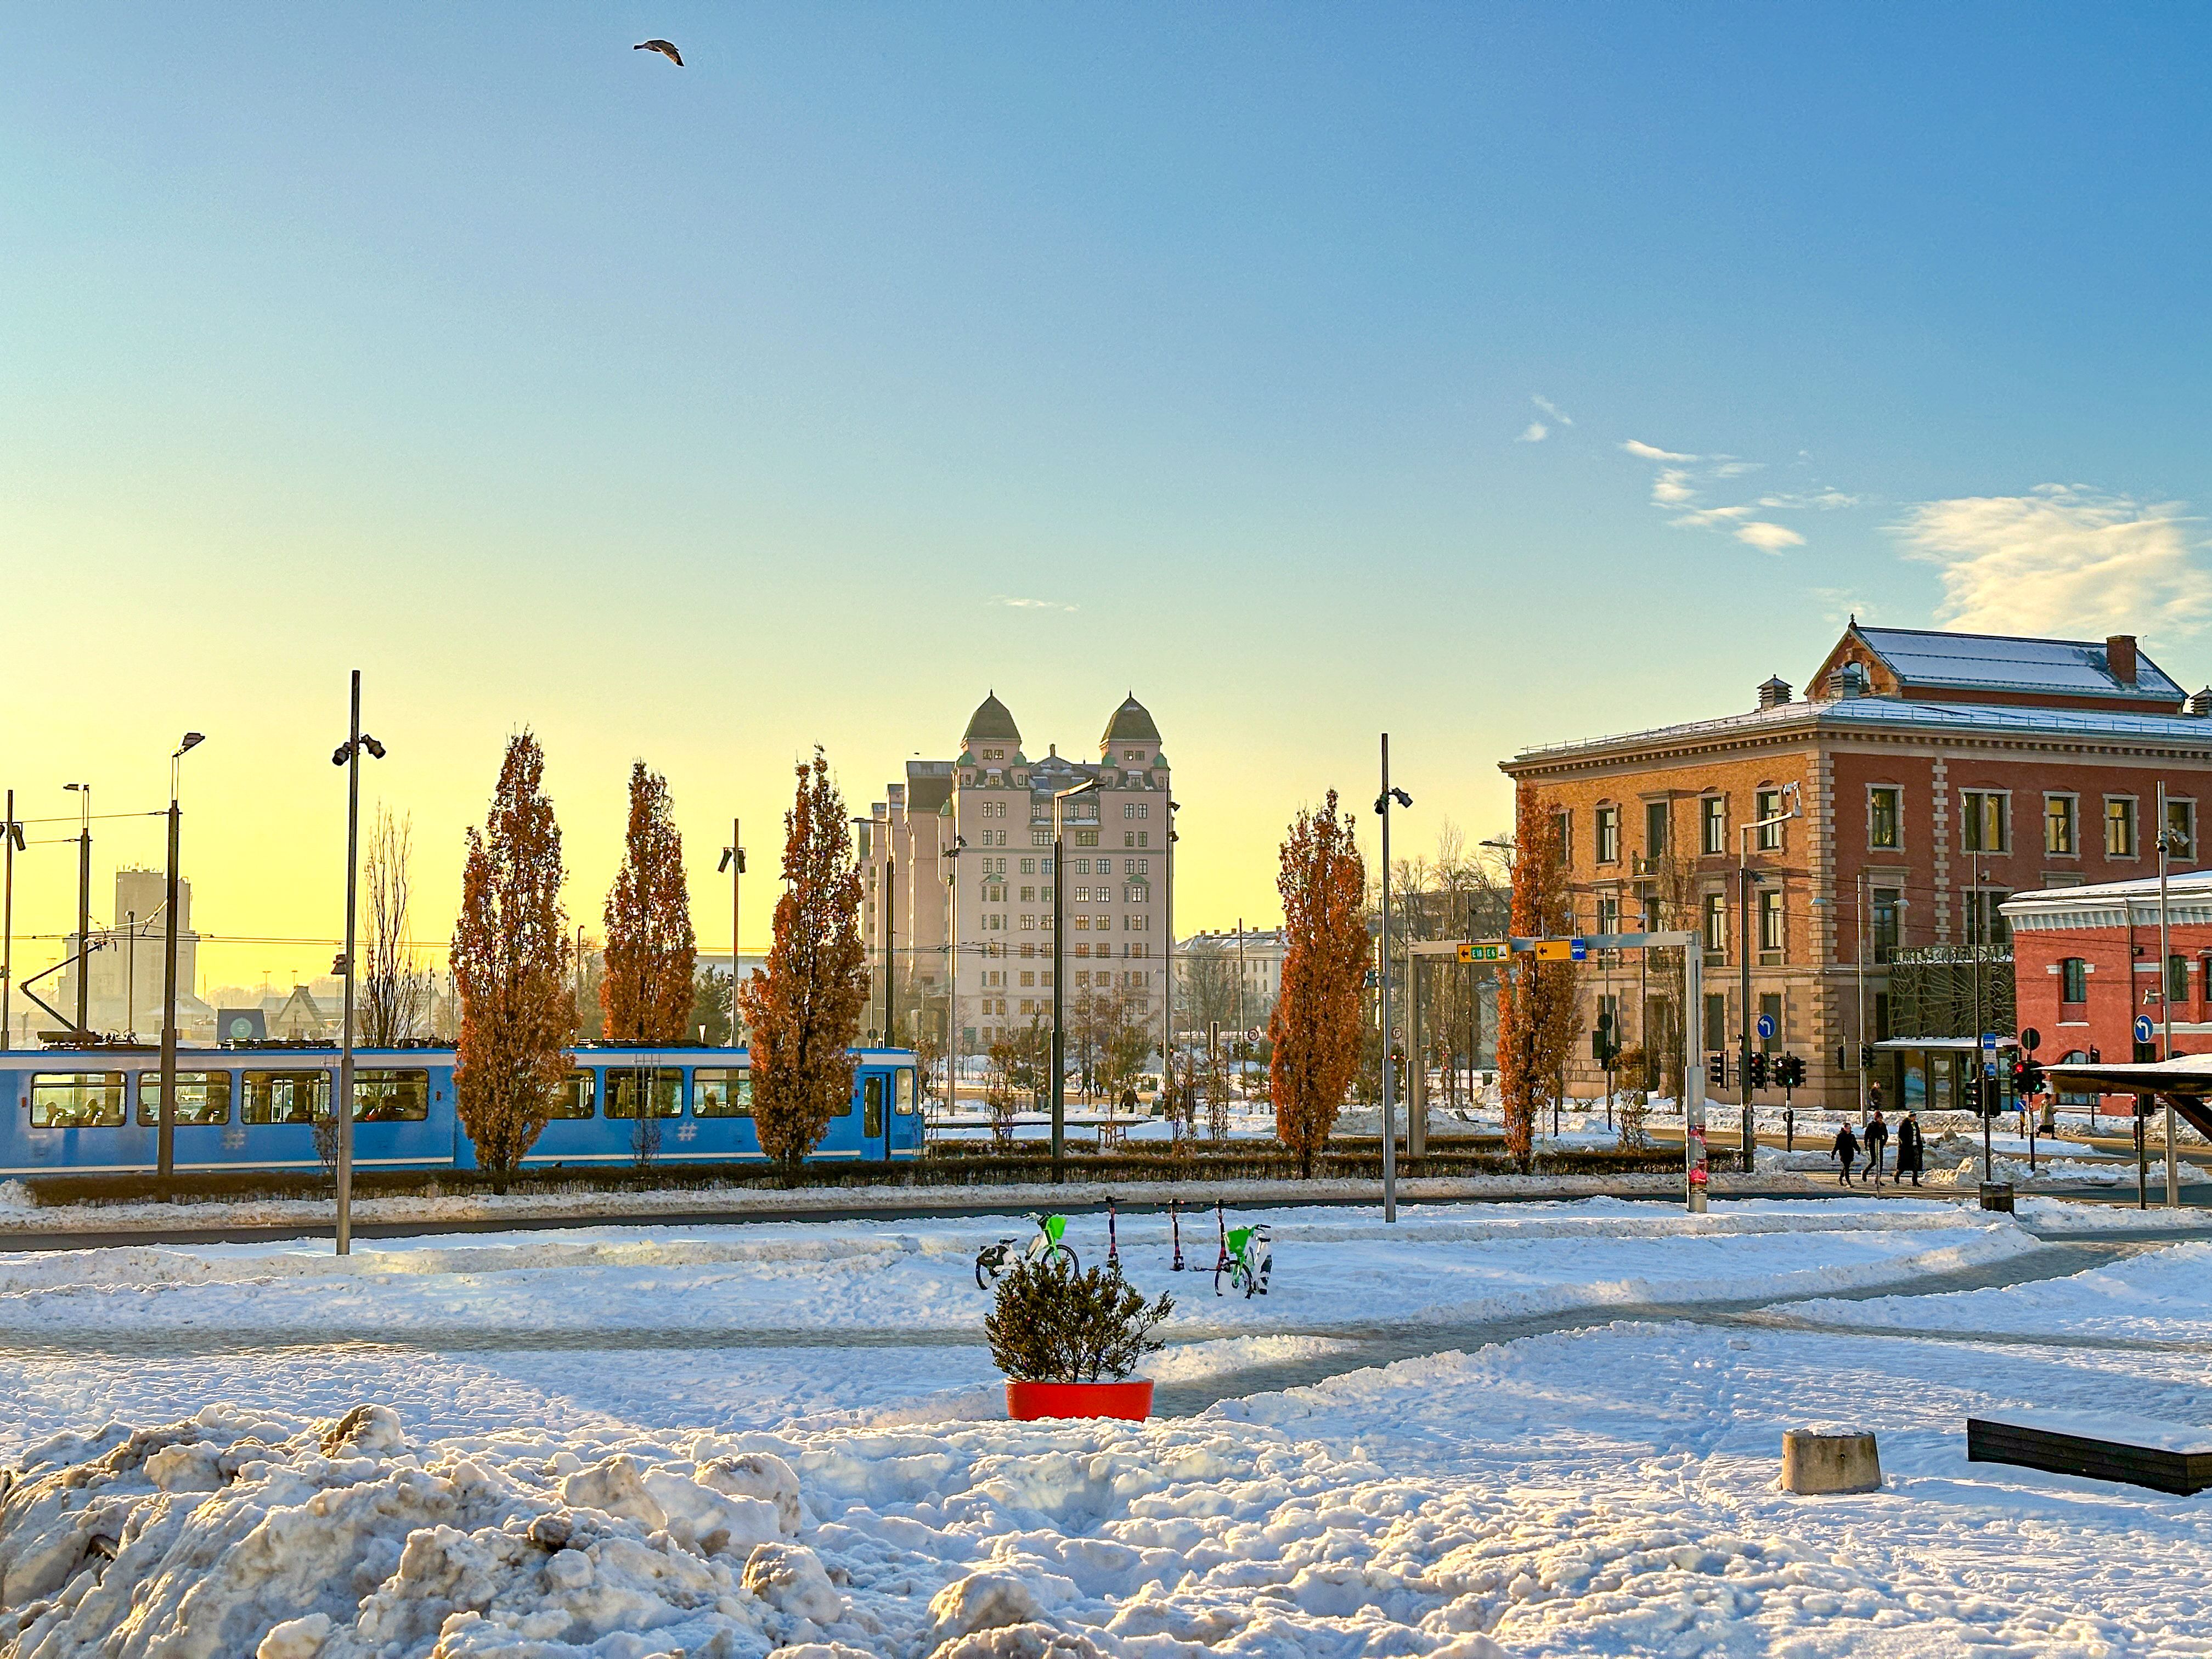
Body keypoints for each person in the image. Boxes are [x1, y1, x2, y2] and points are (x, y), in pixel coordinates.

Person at [1895, 1110, 1925, 1188]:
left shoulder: (1915, 1124)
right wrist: (1905, 1144)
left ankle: (1915, 1181)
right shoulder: (1904, 1124)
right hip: (1907, 1148)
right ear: (1910, 1117)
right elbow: (1901, 1136)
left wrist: (1920, 1145)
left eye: (1915, 1116)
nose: (1915, 1118)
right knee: (1905, 1164)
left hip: (1915, 1146)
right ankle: (1897, 1174)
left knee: (1916, 1164)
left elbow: (1918, 1136)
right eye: (1913, 1116)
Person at [1865, 1110, 1889, 1188]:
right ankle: (1865, 1172)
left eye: (1881, 1118)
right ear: (1876, 1118)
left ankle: (1878, 1179)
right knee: (1874, 1162)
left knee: (1881, 1163)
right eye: (1879, 1118)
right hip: (1873, 1145)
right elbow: (1867, 1135)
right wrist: (1866, 1144)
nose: (1881, 1120)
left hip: (1880, 1145)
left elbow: (1886, 1135)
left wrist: (1884, 1142)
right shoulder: (1871, 1125)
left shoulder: (1883, 1125)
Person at [1832, 1120, 1860, 1186]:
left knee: (1846, 1167)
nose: (1849, 1129)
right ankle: (1848, 1181)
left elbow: (1855, 1144)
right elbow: (1837, 1145)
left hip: (1850, 1153)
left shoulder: (1852, 1136)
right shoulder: (1841, 1136)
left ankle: (1841, 1178)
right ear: (1844, 1128)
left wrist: (1858, 1149)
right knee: (1847, 1167)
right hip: (1843, 1153)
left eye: (1850, 1128)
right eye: (1848, 1128)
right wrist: (1833, 1153)